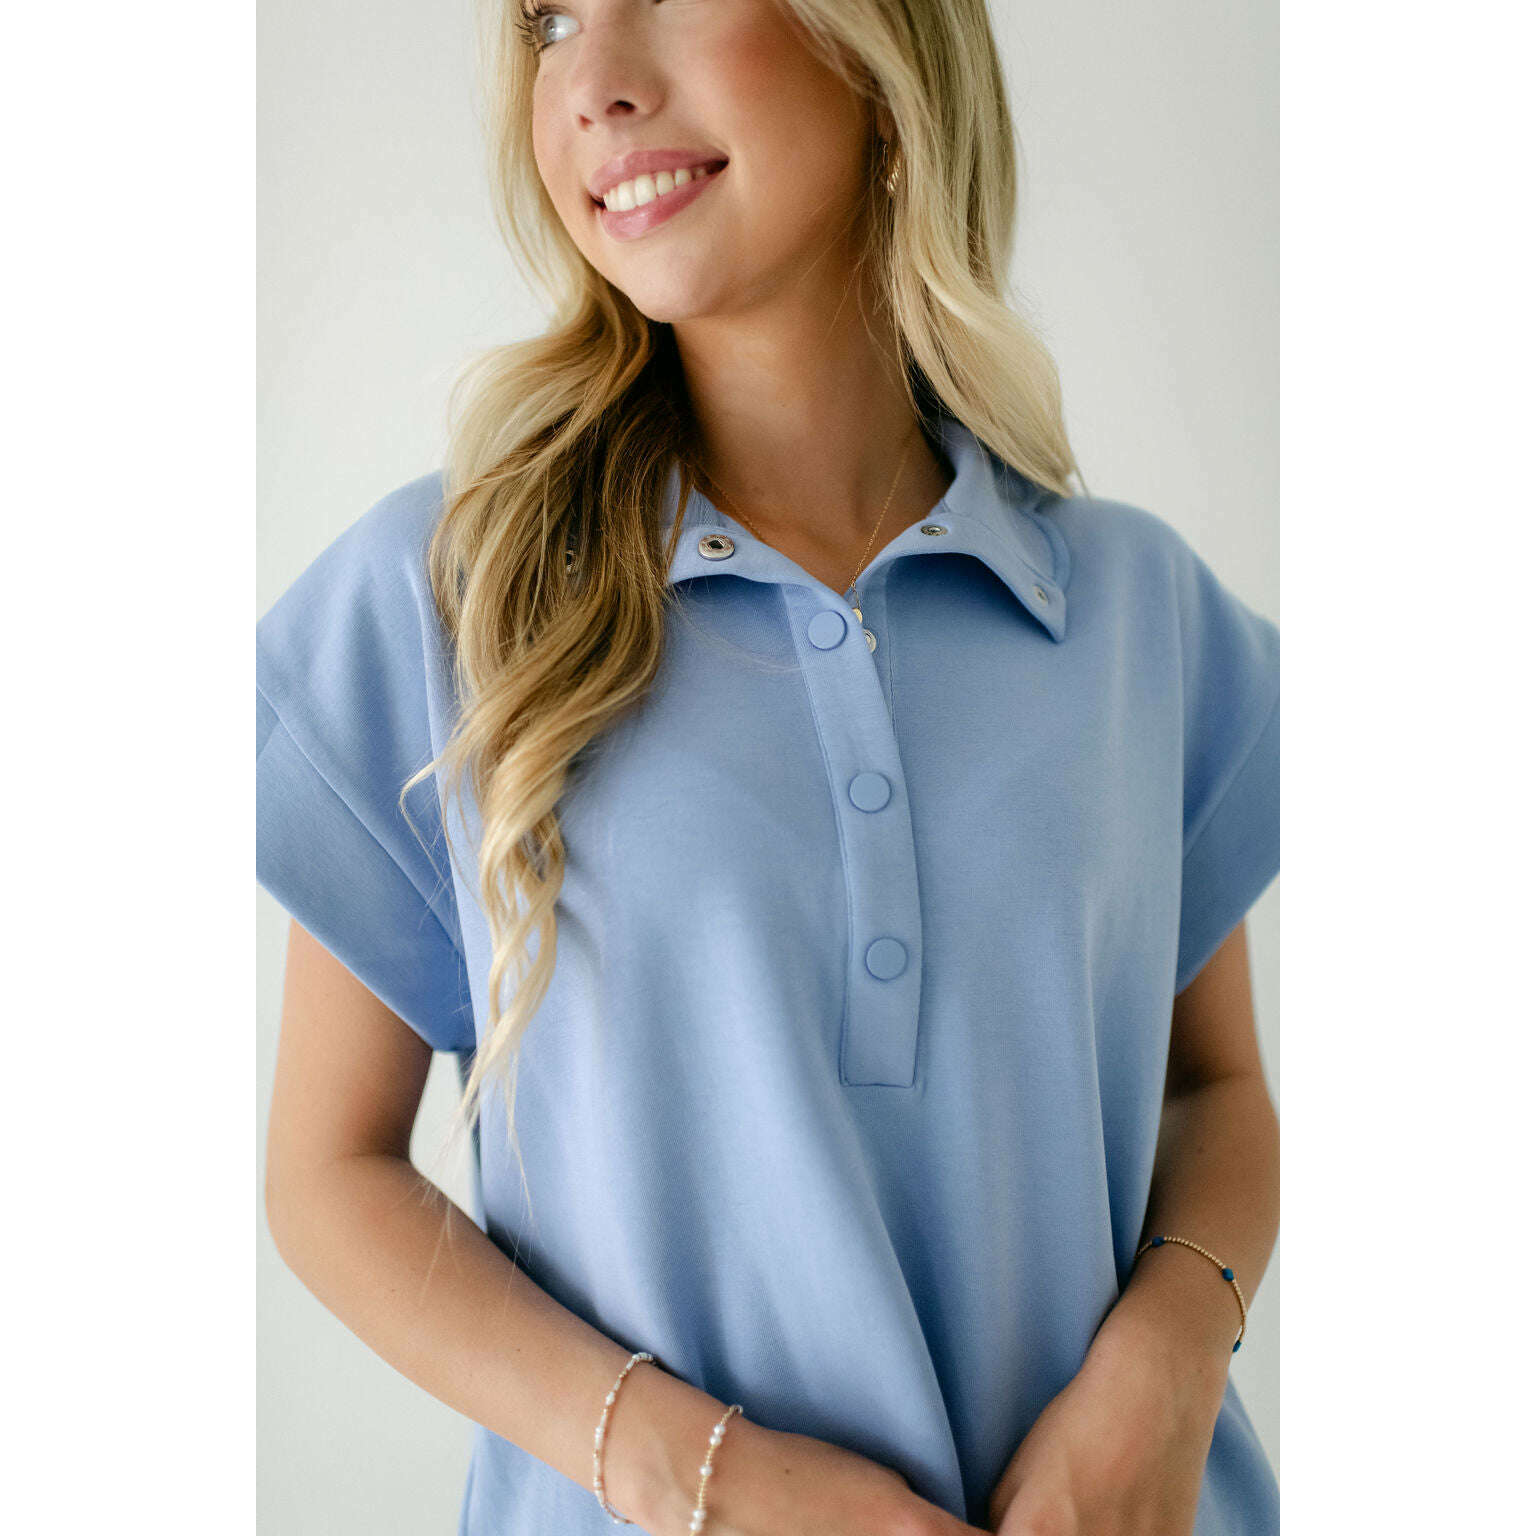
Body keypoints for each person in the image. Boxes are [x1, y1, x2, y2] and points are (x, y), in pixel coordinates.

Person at [256, 2, 1280, 1533]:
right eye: (548, 20)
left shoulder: (1136, 613)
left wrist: (1172, 1361)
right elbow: (328, 1175)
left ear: (879, 52)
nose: (592, 84)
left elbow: (1218, 1091)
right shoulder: (447, 600)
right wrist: (694, 1474)